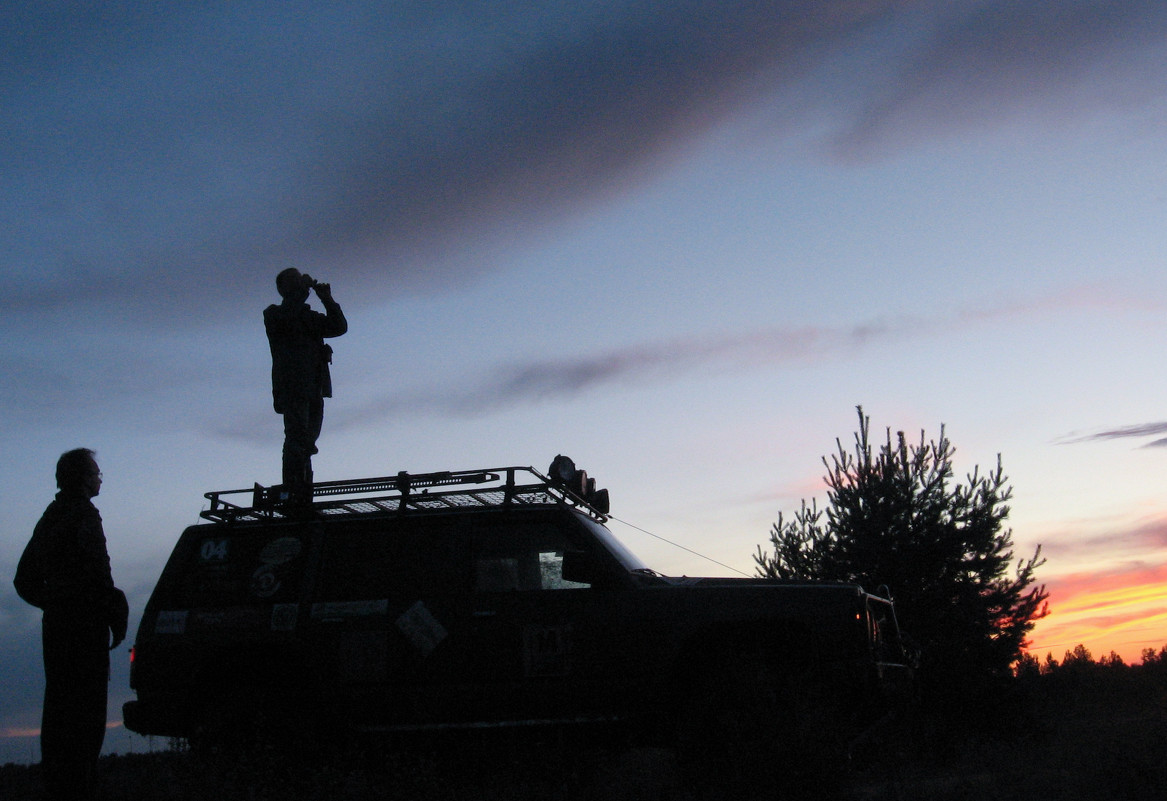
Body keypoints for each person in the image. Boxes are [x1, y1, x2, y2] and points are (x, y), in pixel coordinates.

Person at [14, 448, 128, 801]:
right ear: (81, 478)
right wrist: (103, 607)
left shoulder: (51, 516)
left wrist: (55, 604)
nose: (99, 478)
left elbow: (24, 580)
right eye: (95, 472)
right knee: (86, 711)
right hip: (83, 629)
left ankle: (61, 784)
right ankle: (78, 786)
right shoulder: (82, 514)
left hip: (59, 628)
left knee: (60, 709)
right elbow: (97, 576)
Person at [264, 267, 347, 500]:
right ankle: (292, 490)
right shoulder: (274, 314)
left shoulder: (310, 317)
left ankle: (303, 489)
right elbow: (289, 316)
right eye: (296, 280)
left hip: (315, 387)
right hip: (293, 387)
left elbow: (339, 327)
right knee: (297, 438)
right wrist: (305, 291)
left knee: (308, 442)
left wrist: (327, 298)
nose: (302, 282)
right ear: (283, 289)